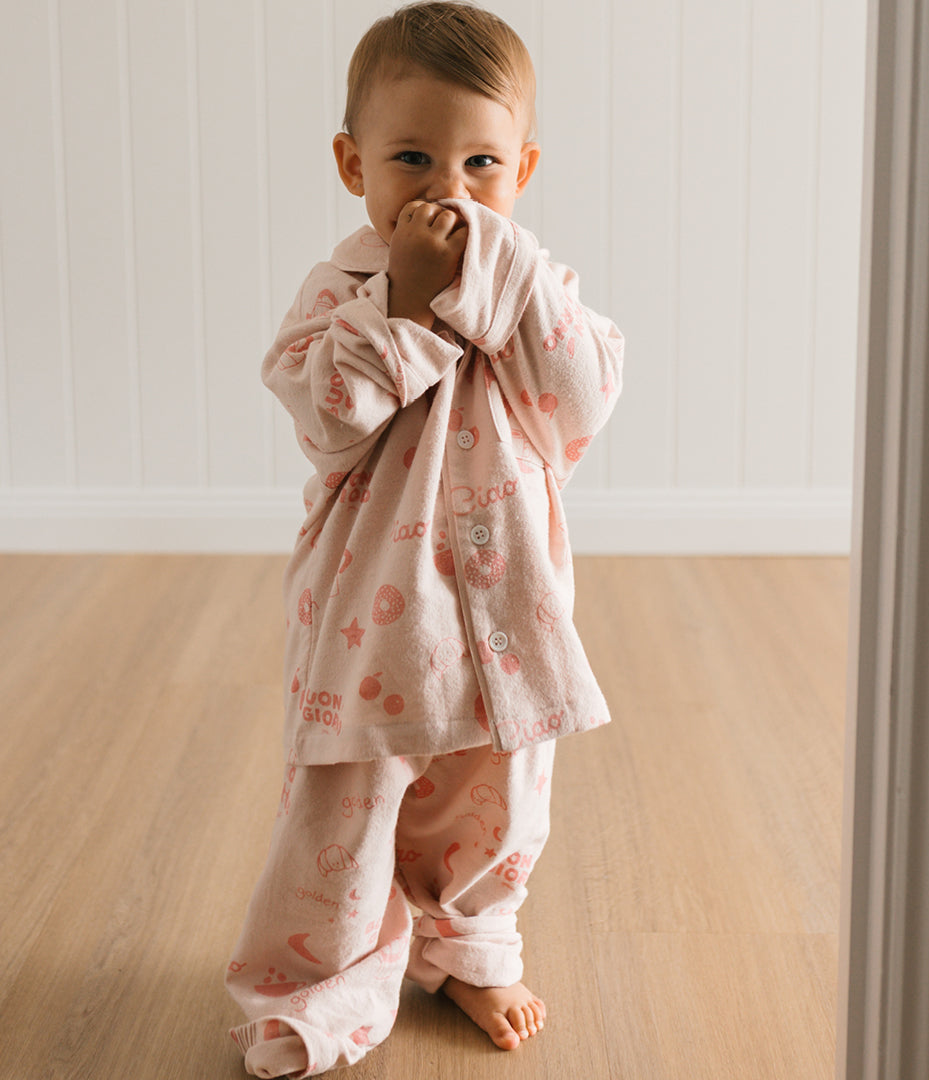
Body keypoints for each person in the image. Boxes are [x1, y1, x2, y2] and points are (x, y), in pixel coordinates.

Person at [225, 3, 625, 1076]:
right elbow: (329, 419)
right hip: (374, 613)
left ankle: (470, 949)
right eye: (413, 158)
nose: (448, 188)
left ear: (522, 170)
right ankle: (314, 987)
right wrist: (405, 306)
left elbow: (580, 403)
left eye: (481, 163)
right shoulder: (342, 293)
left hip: (508, 606)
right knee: (345, 812)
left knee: (497, 796)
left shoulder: (535, 286)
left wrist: (504, 287)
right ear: (354, 163)